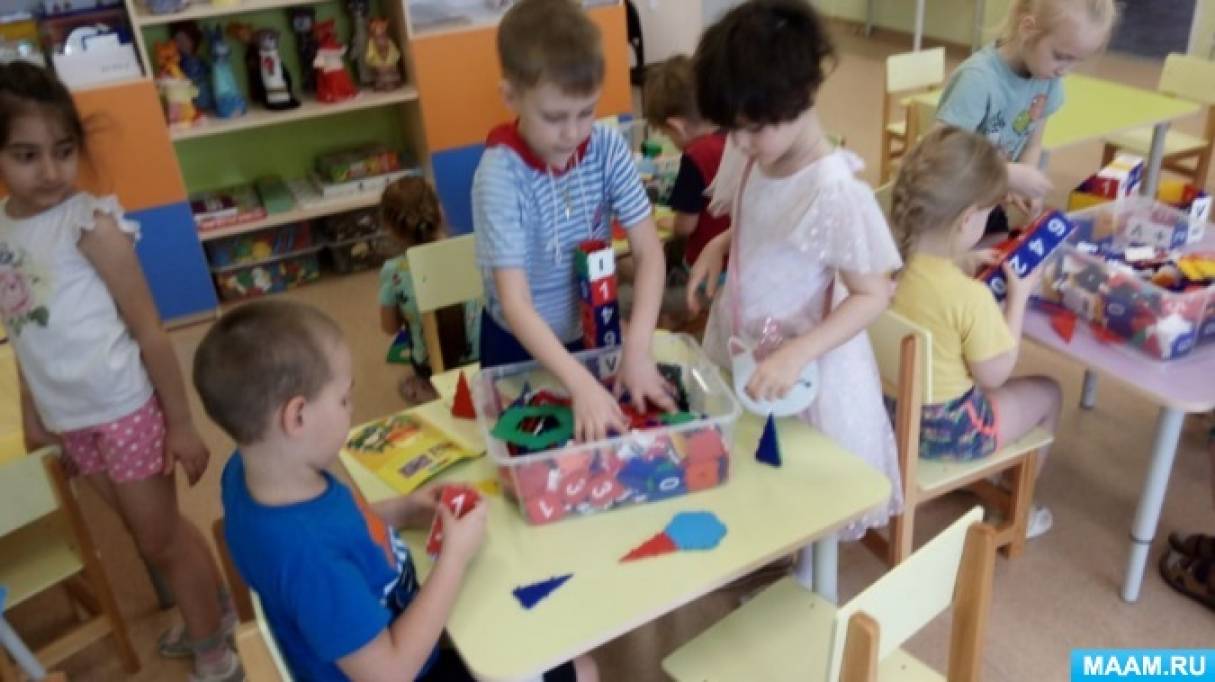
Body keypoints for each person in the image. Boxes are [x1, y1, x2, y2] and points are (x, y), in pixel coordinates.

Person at [197, 300, 596, 681]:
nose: (351, 408)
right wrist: (454, 557)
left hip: (382, 628)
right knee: (580, 670)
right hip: (402, 666)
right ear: (297, 416)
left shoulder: (251, 471)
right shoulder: (311, 560)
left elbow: (338, 528)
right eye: (344, 398)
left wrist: (402, 510)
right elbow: (391, 672)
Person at [0, 62, 239, 681]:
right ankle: (214, 607)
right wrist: (33, 413)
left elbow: (150, 330)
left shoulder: (90, 225)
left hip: (124, 411)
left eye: (63, 151)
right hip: (70, 420)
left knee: (159, 540)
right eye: (26, 155)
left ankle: (214, 647)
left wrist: (181, 424)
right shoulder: (3, 231)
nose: (50, 171)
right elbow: (23, 332)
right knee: (151, 532)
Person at [687, 0, 903, 538]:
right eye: (732, 128)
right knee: (754, 457)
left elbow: (873, 294)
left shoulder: (833, 191)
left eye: (751, 129)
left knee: (806, 491)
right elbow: (766, 219)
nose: (738, 143)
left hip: (806, 365)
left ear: (801, 98)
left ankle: (803, 567)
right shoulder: (756, 148)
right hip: (748, 337)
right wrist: (720, 245)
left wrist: (798, 352)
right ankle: (766, 543)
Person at [472, 0, 674, 443]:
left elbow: (649, 253)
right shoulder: (499, 177)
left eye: (586, 112)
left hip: (592, 329)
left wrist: (637, 349)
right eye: (554, 117)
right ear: (511, 97)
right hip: (518, 345)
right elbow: (515, 304)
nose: (573, 133)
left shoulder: (605, 147)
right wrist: (579, 383)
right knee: (530, 451)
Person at [891, 126, 1062, 538]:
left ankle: (991, 483)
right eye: (989, 212)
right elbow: (995, 375)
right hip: (951, 432)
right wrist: (1017, 299)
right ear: (968, 219)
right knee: (1050, 393)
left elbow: (932, 288)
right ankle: (1016, 509)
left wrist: (964, 260)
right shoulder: (970, 297)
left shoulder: (891, 265)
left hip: (893, 416)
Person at [935, 0, 1118, 234]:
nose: (1064, 70)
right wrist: (1007, 174)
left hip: (988, 201)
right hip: (950, 206)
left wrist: (1025, 184)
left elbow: (1032, 143)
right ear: (1027, 28)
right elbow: (941, 155)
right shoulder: (977, 80)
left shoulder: (1047, 79)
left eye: (1076, 60)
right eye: (1060, 56)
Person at [640, 55, 730, 327]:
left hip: (708, 273)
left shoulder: (695, 157)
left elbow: (685, 226)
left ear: (676, 126)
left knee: (631, 297)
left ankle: (681, 318)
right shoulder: (734, 136)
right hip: (740, 266)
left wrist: (670, 222)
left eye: (667, 135)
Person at [378, 177, 480, 404]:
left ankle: (429, 386)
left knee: (409, 370)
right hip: (482, 356)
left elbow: (389, 327)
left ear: (390, 229)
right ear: (440, 211)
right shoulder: (472, 250)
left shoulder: (393, 271)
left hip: (430, 365)